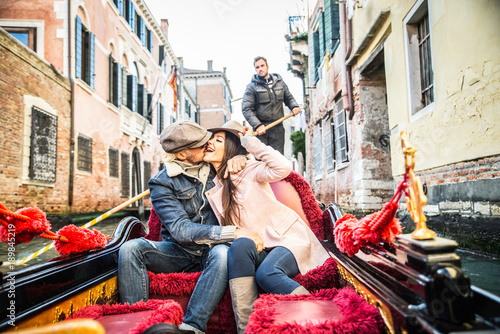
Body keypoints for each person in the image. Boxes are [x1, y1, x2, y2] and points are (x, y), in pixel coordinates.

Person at [118, 121, 263, 334]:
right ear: (183, 154)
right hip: (177, 252)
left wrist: (244, 157)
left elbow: (243, 159)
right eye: (201, 144)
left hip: (213, 252)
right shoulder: (161, 183)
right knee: (130, 249)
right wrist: (234, 232)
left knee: (223, 252)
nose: (208, 145)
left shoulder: (216, 166)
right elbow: (180, 230)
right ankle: (139, 325)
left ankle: (192, 327)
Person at [203, 120, 330, 333]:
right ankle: (248, 329)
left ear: (232, 147)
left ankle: (318, 318)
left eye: (219, 140)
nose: (210, 143)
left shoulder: (249, 168)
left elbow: (282, 167)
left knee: (267, 273)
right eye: (210, 139)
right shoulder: (214, 185)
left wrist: (250, 145)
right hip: (261, 248)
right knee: (240, 245)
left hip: (287, 239)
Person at [242, 56, 301, 154]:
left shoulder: (279, 83)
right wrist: (258, 125)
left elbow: (288, 97)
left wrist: (294, 106)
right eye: (257, 67)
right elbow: (246, 109)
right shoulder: (251, 88)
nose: (260, 69)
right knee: (262, 160)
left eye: (262, 66)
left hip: (277, 128)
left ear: (267, 67)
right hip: (261, 131)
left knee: (278, 160)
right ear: (255, 69)